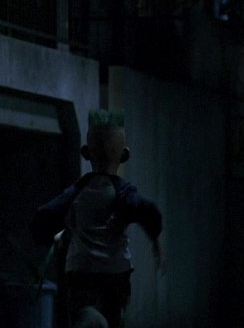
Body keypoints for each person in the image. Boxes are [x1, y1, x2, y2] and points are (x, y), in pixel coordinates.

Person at [31, 109, 163, 328]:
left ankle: (89, 317)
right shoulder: (124, 192)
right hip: (116, 272)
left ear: (85, 153)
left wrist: (50, 238)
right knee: (114, 317)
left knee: (82, 309)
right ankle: (99, 319)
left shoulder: (75, 192)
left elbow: (43, 216)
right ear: (125, 155)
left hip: (80, 271)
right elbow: (147, 210)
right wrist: (155, 241)